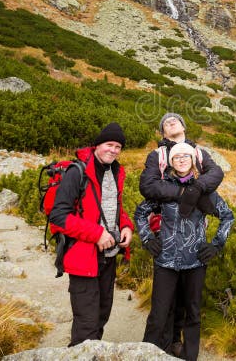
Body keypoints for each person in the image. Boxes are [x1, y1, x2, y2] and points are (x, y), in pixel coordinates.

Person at [138, 112, 225, 356]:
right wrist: (182, 194)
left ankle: (177, 345)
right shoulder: (157, 155)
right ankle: (156, 349)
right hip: (166, 238)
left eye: (175, 119)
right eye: (165, 122)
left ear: (184, 126)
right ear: (163, 133)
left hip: (193, 245)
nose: (171, 121)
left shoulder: (197, 151)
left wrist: (196, 188)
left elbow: (216, 173)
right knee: (163, 305)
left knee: (185, 305)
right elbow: (148, 186)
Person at [49, 122, 134, 346]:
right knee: (86, 323)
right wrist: (96, 234)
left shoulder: (116, 171)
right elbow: (58, 216)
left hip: (109, 257)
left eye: (118, 146)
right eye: (109, 144)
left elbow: (115, 208)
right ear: (97, 145)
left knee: (101, 315)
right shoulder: (77, 172)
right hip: (83, 256)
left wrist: (126, 226)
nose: (113, 150)